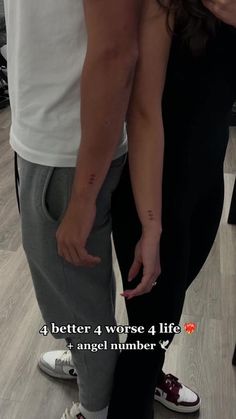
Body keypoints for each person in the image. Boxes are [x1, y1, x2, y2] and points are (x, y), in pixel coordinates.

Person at [39, 1, 236, 419]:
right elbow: (142, 108)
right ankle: (109, 376)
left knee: (159, 321)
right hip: (156, 187)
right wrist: (153, 222)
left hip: (207, 181)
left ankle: (119, 366)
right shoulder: (164, 4)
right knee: (150, 327)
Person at [5, 0, 172, 418]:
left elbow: (117, 52)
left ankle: (96, 407)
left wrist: (82, 198)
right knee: (69, 297)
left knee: (81, 307)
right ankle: (90, 366)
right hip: (43, 132)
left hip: (65, 149)